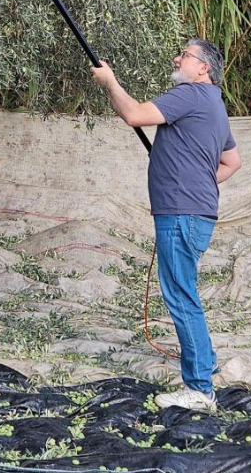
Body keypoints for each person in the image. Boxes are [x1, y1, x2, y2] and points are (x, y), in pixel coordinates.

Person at [91, 38, 242, 411]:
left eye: (185, 55)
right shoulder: (214, 104)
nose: (177, 59)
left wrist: (110, 82)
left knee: (181, 296)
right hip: (193, 212)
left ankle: (199, 390)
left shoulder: (191, 94)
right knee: (185, 290)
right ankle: (205, 364)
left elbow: (135, 115)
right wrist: (197, 180)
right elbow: (232, 162)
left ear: (203, 67)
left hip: (180, 215)